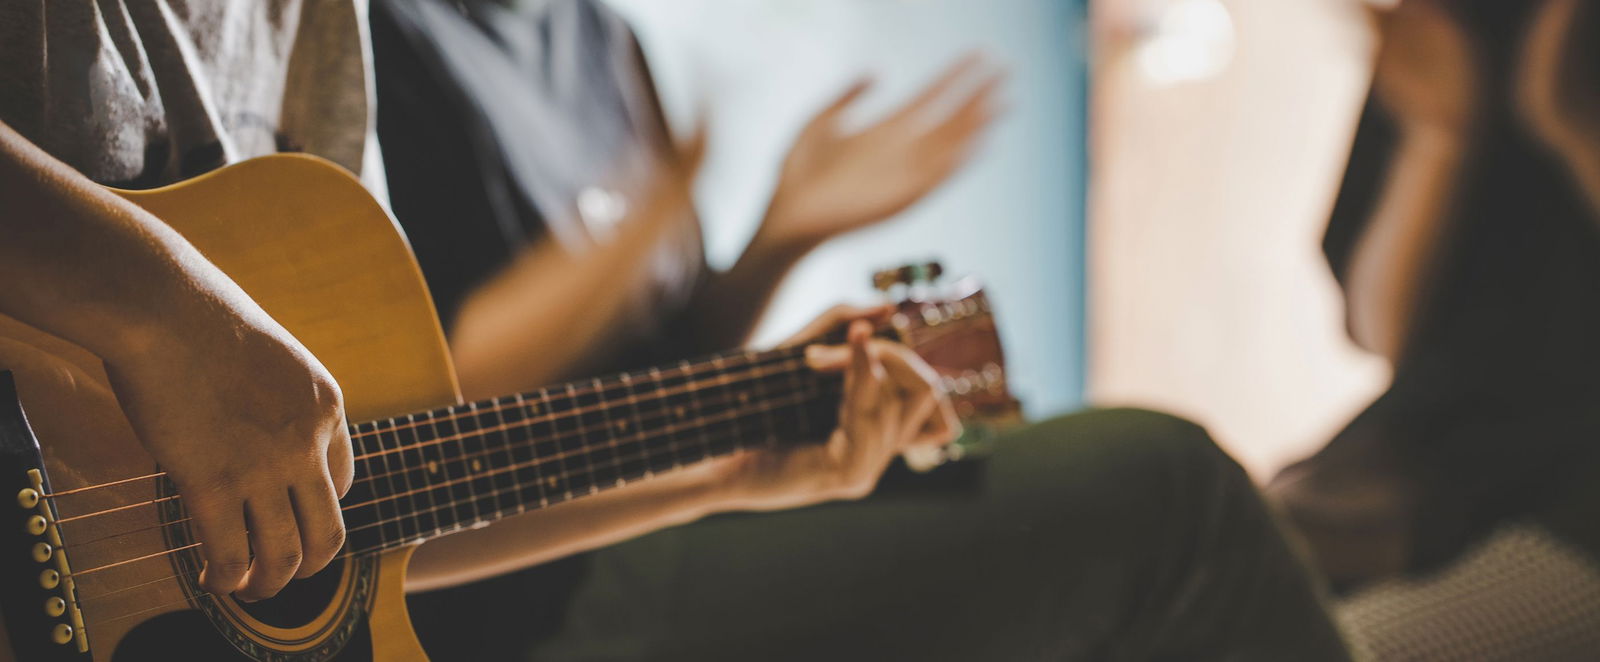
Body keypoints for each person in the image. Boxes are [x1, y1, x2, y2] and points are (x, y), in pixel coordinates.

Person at [370, 1, 1351, 659]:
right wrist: (648, 211)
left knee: (984, 449)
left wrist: (780, 234)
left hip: (680, 498)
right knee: (1169, 486)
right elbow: (414, 421)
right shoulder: (375, 46)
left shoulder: (593, 36)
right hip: (543, 591)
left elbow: (660, 358)